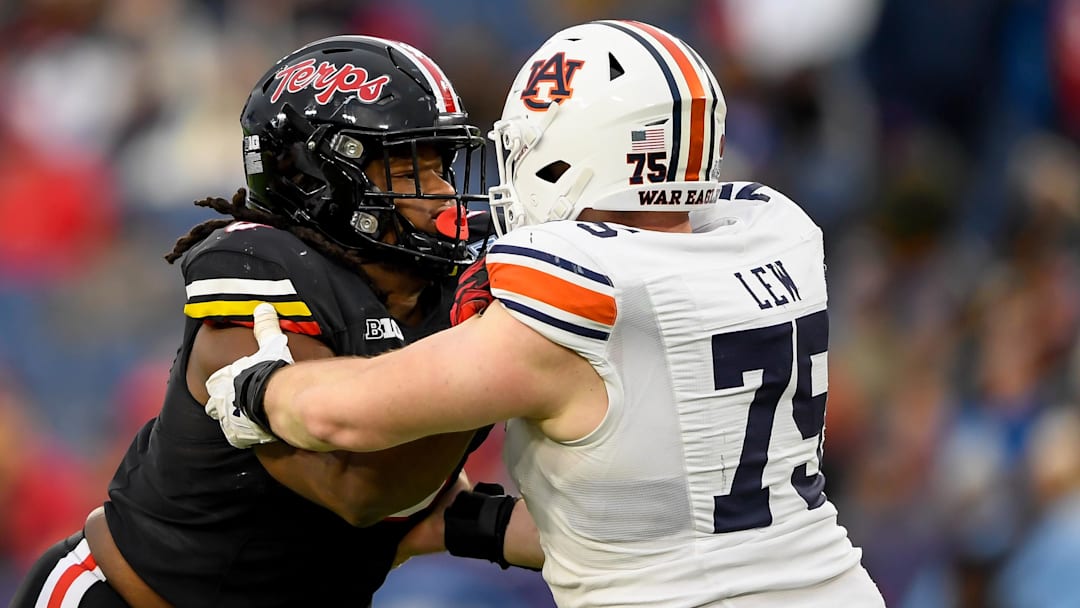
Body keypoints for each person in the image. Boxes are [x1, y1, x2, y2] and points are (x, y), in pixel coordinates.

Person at [206, 20, 886, 607]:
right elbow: (642, 527)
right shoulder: (766, 233)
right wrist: (468, 525)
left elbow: (342, 415)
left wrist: (262, 385)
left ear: (572, 157)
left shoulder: (582, 293)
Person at [10, 34, 495, 608]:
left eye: (442, 167)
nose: (443, 195)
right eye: (413, 169)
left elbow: (425, 504)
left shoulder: (440, 298)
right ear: (323, 177)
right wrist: (488, 347)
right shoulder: (261, 285)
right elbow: (359, 488)